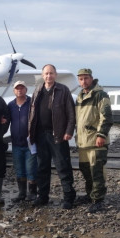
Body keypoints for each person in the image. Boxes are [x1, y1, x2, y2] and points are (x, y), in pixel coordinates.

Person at [28, 64, 76, 209]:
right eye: (46, 73)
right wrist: (31, 133)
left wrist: (69, 131)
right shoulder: (37, 90)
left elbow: (71, 113)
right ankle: (42, 197)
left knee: (63, 166)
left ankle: (69, 197)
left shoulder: (63, 90)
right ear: (43, 76)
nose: (49, 76)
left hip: (58, 135)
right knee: (42, 167)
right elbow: (32, 113)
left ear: (55, 75)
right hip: (40, 135)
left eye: (51, 73)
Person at [75, 68, 113, 213]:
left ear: (91, 78)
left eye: (86, 78)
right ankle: (90, 194)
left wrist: (101, 135)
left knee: (97, 171)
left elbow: (107, 117)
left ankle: (98, 200)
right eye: (81, 79)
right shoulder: (80, 96)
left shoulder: (100, 95)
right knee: (86, 170)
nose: (83, 81)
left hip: (96, 141)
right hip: (83, 142)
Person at [7, 80, 38, 202]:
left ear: (26, 89)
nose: (19, 90)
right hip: (16, 143)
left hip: (30, 143)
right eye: (17, 88)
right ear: (14, 91)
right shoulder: (10, 105)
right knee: (19, 169)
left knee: (31, 169)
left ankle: (33, 193)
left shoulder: (32, 103)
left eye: (22, 88)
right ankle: (21, 193)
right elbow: (6, 118)